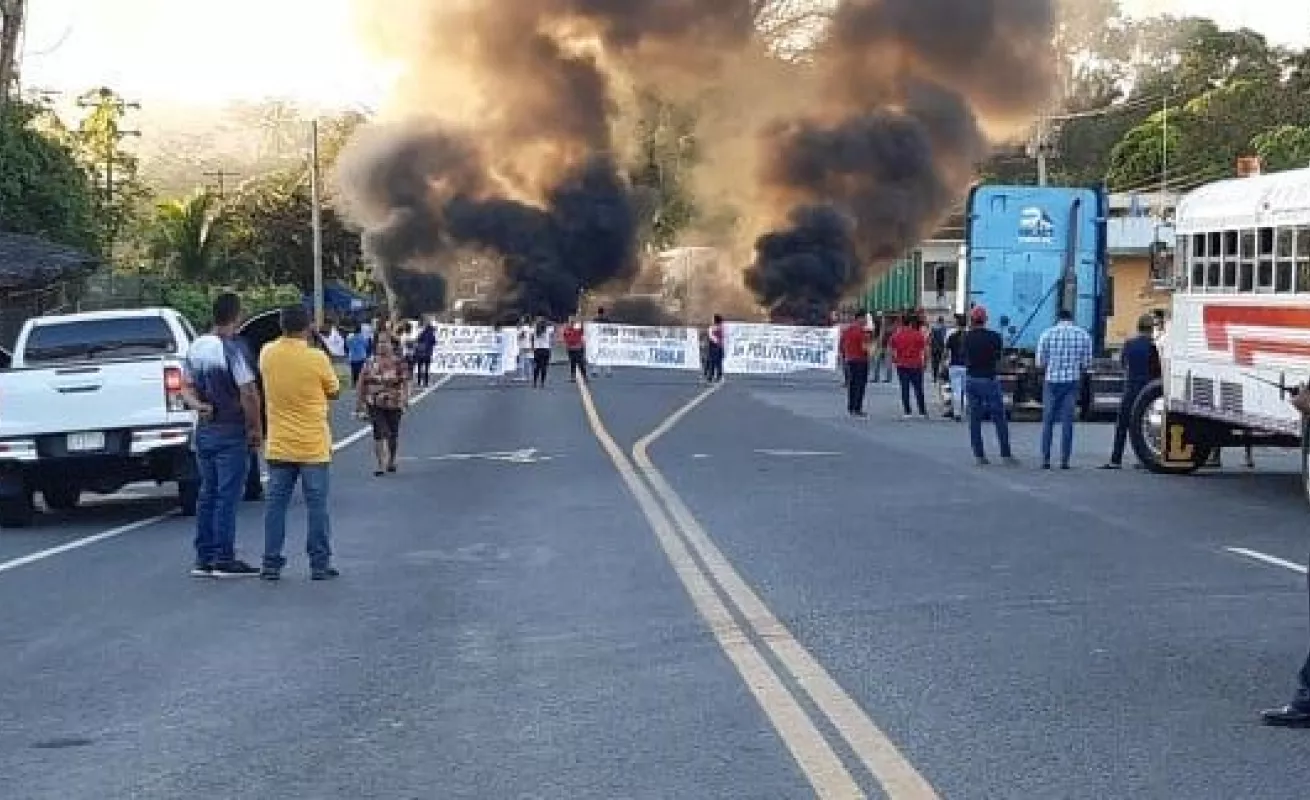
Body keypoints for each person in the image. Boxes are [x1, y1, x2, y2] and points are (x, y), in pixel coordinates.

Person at [180, 292, 263, 578]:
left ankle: (204, 556)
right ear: (236, 316)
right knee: (227, 496)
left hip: (206, 428)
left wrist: (199, 406)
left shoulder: (197, 347)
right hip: (231, 427)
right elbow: (248, 392)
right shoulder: (233, 350)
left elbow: (185, 387)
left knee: (208, 494)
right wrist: (255, 428)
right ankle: (223, 557)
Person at [259, 304, 342, 582]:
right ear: (308, 327)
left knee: (275, 507)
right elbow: (335, 390)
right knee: (317, 507)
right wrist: (318, 344)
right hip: (312, 445)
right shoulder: (317, 358)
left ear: (281, 325)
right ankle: (319, 563)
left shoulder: (267, 353)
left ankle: (271, 562)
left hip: (279, 443)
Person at [1035, 308, 1094, 470]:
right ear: (1072, 318)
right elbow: (1087, 364)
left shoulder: (1047, 334)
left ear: (1058, 318)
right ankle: (1064, 460)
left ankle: (1045, 459)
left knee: (1048, 420)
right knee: (1068, 421)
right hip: (1071, 382)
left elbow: (1040, 363)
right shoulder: (1083, 335)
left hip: (1051, 382)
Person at [1102, 314, 1162, 470]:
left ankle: (1115, 459)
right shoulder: (1154, 347)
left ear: (1138, 327)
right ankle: (1144, 459)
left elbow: (1123, 364)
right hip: (1147, 390)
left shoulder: (1129, 344)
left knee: (1122, 424)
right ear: (1151, 329)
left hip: (1131, 387)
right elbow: (1157, 370)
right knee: (1144, 426)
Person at [963, 305, 1017, 466]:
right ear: (986, 319)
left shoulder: (966, 337)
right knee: (999, 418)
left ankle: (979, 455)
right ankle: (1006, 454)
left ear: (972, 320)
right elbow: (999, 359)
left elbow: (963, 357)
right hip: (989, 380)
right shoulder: (995, 337)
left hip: (971, 379)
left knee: (974, 419)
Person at [356, 335, 410, 476]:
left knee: (392, 434)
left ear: (392, 345)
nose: (382, 345)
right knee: (379, 432)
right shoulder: (370, 362)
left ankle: (391, 459)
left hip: (394, 402)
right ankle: (381, 464)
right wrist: (359, 404)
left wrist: (406, 399)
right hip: (374, 402)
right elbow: (361, 382)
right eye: (379, 342)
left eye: (385, 342)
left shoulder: (399, 362)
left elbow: (406, 382)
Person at [890, 315, 930, 419]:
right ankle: (922, 411)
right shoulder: (918, 335)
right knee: (918, 388)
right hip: (916, 364)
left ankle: (907, 411)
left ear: (902, 323)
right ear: (911, 324)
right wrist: (925, 362)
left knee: (904, 388)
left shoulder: (896, 335)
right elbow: (925, 350)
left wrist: (895, 360)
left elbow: (893, 350)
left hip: (902, 364)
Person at [840, 313, 872, 417]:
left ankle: (851, 407)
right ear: (859, 319)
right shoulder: (862, 332)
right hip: (861, 360)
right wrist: (870, 352)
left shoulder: (847, 331)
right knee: (860, 385)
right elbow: (864, 348)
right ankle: (857, 408)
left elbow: (841, 344)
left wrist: (845, 355)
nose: (866, 321)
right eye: (865, 319)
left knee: (852, 384)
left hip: (850, 359)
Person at [943, 314, 968, 421]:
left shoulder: (952, 336)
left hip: (954, 366)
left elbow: (946, 352)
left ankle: (957, 413)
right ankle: (967, 412)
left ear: (957, 324)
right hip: (967, 366)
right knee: (966, 391)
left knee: (956, 391)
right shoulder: (970, 336)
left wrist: (943, 363)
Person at [531, 317, 555, 388]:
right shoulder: (548, 329)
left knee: (537, 366)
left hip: (537, 349)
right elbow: (554, 326)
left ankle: (535, 382)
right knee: (544, 367)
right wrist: (548, 322)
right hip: (546, 349)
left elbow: (532, 338)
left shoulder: (534, 329)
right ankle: (542, 382)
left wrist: (532, 346)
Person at [562, 316, 586, 382]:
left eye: (572, 321)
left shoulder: (577, 328)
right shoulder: (567, 329)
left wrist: (581, 322)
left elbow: (582, 331)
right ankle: (573, 377)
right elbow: (565, 337)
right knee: (572, 363)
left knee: (580, 363)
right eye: (570, 321)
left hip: (578, 348)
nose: (571, 323)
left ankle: (584, 376)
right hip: (571, 348)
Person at [413, 321, 436, 388]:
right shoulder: (431, 335)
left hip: (420, 353)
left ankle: (419, 382)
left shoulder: (421, 333)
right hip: (428, 354)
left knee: (419, 368)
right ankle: (426, 382)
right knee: (426, 369)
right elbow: (434, 342)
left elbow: (417, 340)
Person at [705, 314, 725, 383]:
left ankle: (712, 376)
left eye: (713, 319)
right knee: (717, 362)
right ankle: (717, 376)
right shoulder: (722, 327)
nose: (712, 320)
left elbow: (711, 336)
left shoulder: (713, 327)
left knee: (713, 362)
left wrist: (716, 341)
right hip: (718, 346)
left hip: (714, 346)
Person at [929, 316, 948, 383]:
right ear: (942, 321)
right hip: (941, 348)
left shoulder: (933, 328)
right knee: (942, 363)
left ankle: (935, 377)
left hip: (934, 348)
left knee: (935, 363)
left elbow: (931, 338)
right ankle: (941, 377)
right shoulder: (944, 328)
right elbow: (944, 338)